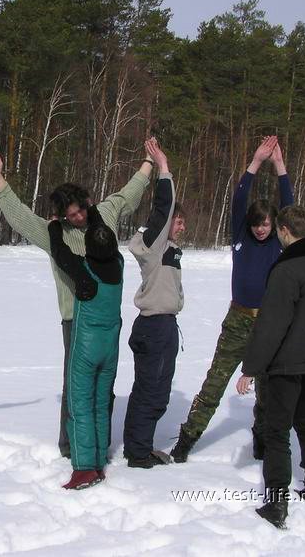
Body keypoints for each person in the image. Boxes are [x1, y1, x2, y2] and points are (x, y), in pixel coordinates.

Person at [0, 143, 153, 458]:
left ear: (87, 203)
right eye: (70, 215)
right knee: (76, 386)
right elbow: (20, 217)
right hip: (75, 320)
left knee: (104, 383)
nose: (77, 218)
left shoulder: (106, 213)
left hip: (107, 321)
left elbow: (129, 193)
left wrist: (148, 161)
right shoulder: (53, 233)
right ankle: (69, 445)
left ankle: (99, 442)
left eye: (79, 211)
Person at [171, 136, 293, 463]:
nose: (260, 230)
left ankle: (262, 439)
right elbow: (239, 200)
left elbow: (290, 205)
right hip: (237, 321)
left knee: (267, 390)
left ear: (275, 225)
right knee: (214, 384)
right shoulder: (241, 235)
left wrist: (279, 166)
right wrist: (255, 162)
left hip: (268, 325)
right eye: (256, 224)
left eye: (266, 224)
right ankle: (186, 440)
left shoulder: (278, 242)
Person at [235, 205, 305, 529]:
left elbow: (271, 324)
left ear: (283, 230)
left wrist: (250, 368)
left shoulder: (286, 268)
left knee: (277, 431)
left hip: (287, 363)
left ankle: (276, 504)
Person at [48, 206, 124, 489]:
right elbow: (102, 233)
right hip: (110, 350)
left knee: (80, 406)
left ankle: (83, 469)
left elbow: (59, 251)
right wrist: (91, 208)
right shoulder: (118, 265)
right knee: (101, 404)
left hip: (85, 351)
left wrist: (56, 224)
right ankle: (99, 456)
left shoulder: (84, 272)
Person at [122, 140, 186, 468]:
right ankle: (138, 453)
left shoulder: (166, 250)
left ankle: (137, 446)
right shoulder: (155, 243)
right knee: (152, 392)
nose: (182, 225)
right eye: (178, 221)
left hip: (162, 327)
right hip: (155, 327)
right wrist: (163, 168)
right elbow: (164, 207)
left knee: (150, 389)